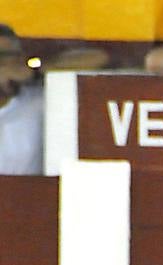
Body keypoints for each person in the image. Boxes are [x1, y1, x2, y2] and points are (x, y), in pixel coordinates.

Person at [1, 25, 108, 175]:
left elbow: (99, 58)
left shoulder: (40, 100)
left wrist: (34, 69)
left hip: (28, 194)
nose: (5, 66)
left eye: (11, 56)